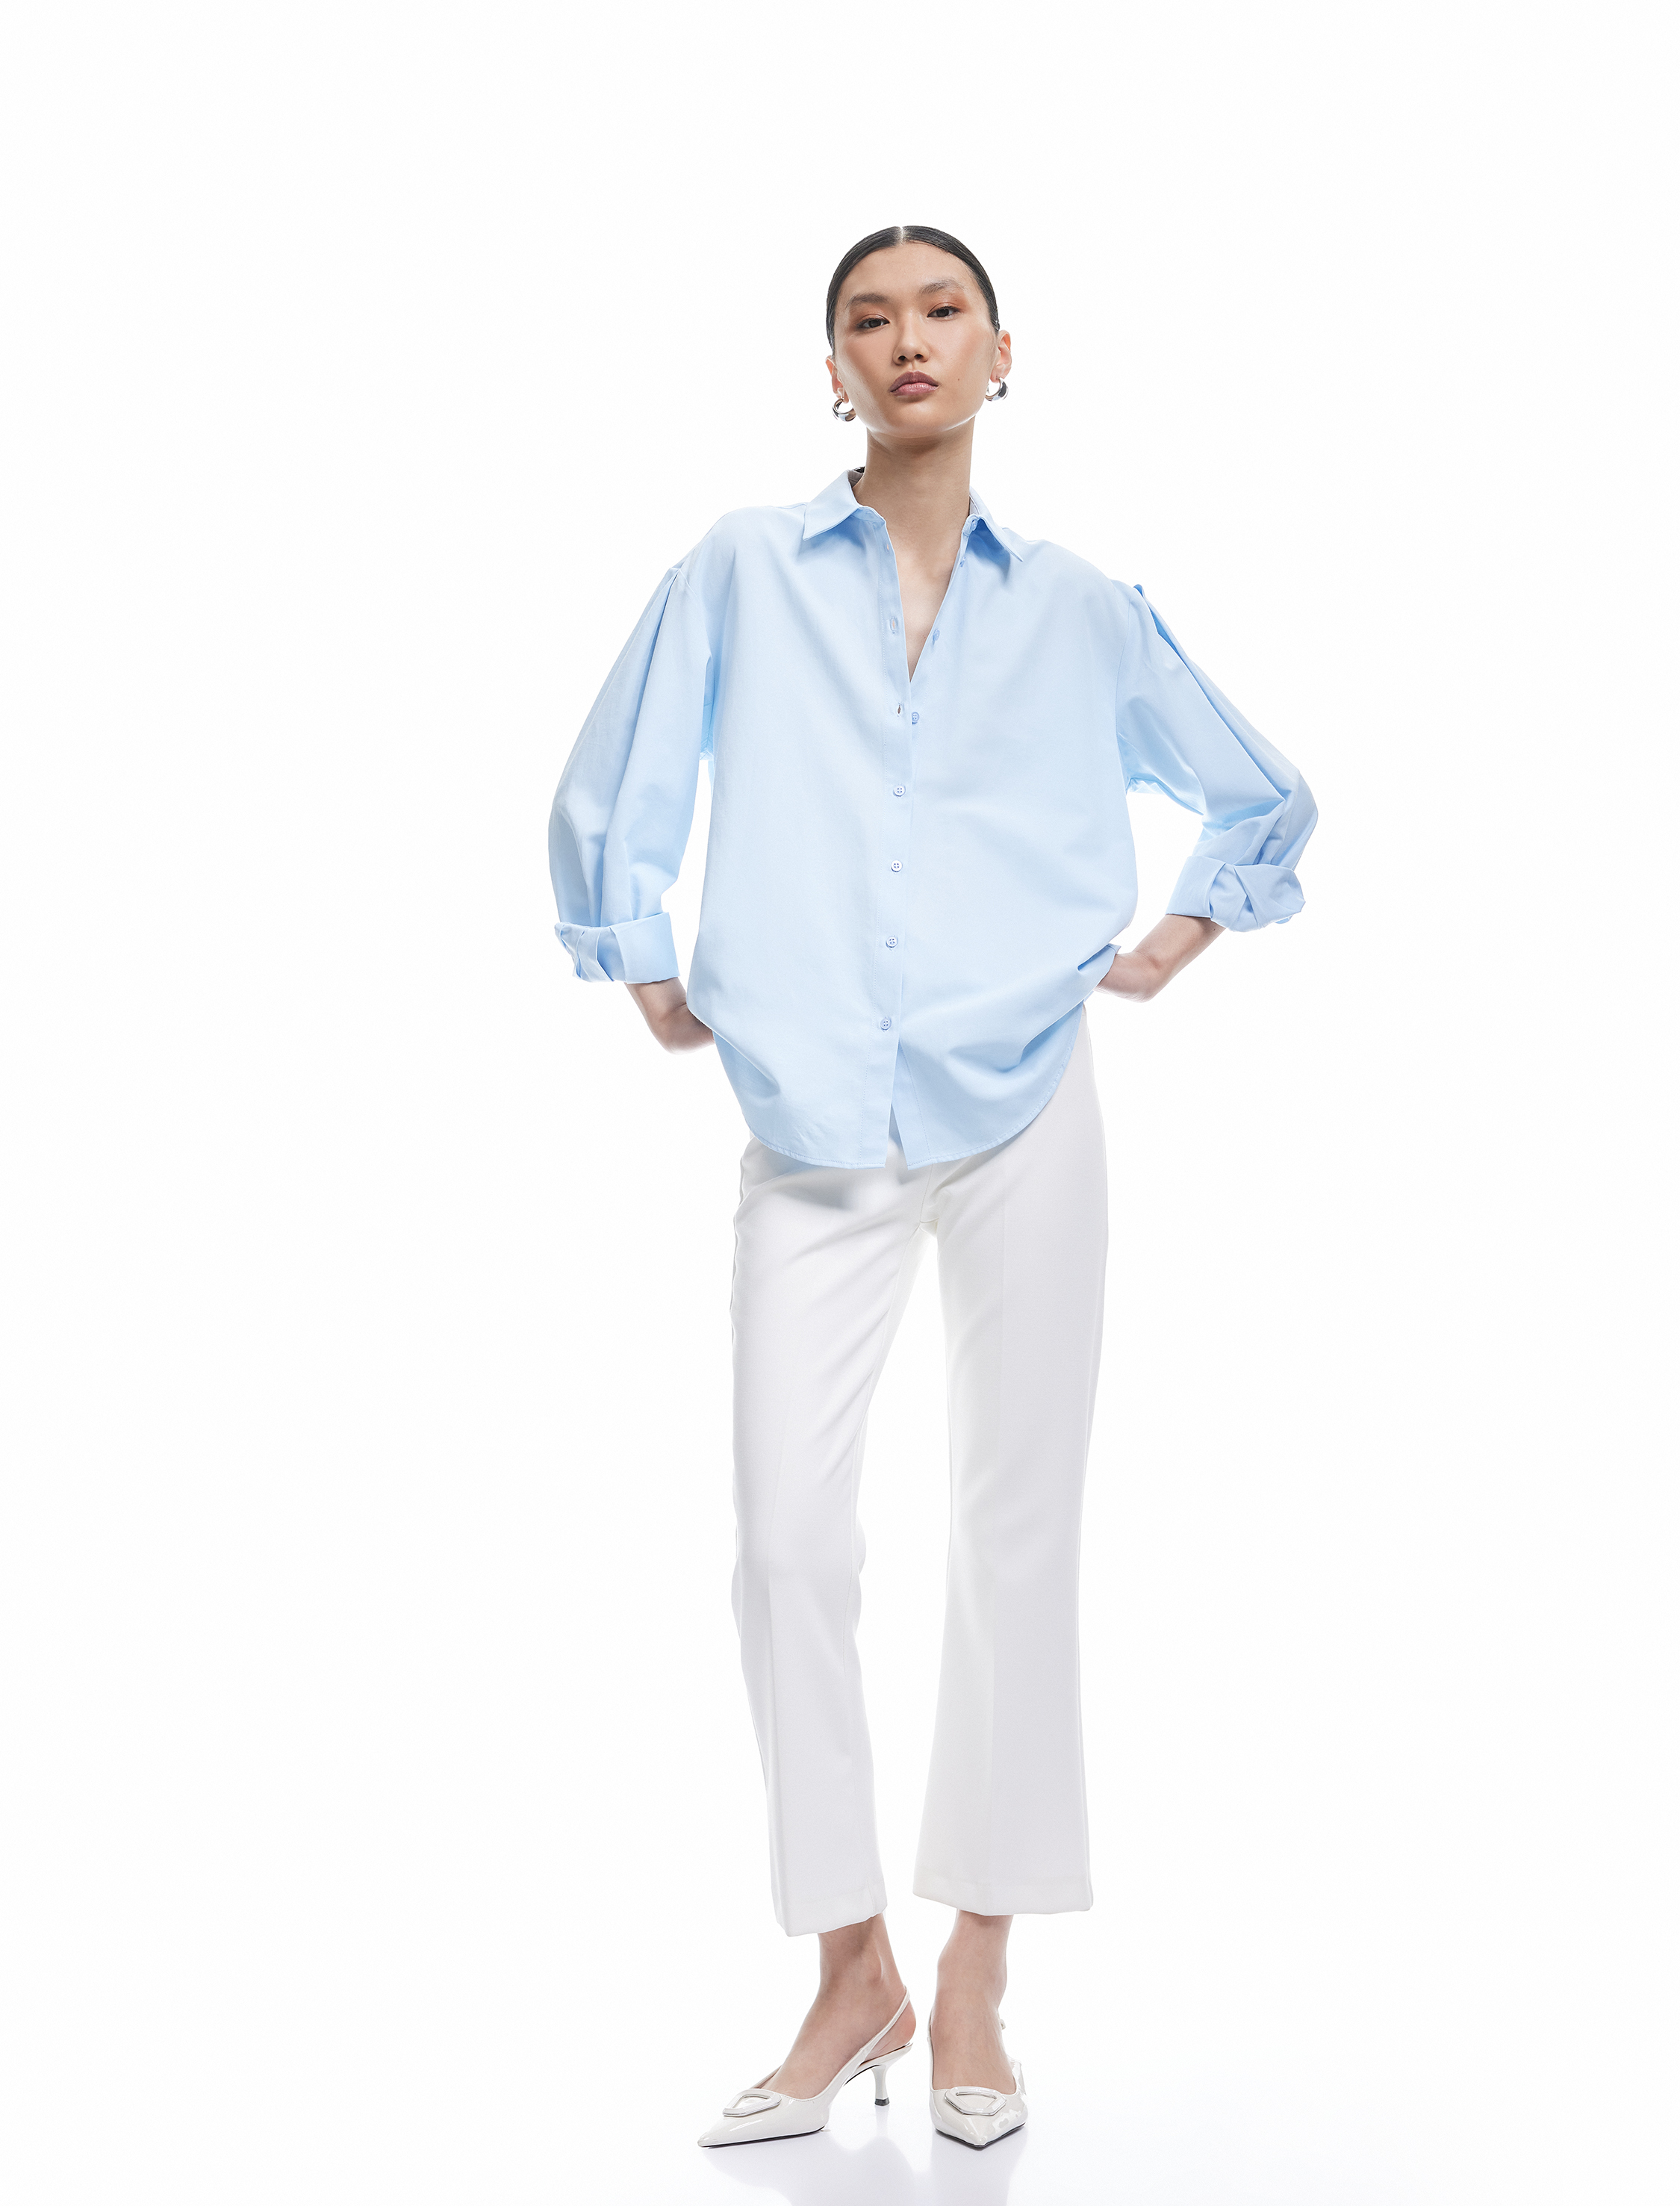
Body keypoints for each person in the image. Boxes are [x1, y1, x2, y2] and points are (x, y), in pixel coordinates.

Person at [548, 223, 1316, 2152]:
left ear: (1001, 350)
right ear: (831, 369)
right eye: (867, 319)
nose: (907, 340)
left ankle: (976, 1972)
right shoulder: (739, 566)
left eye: (941, 311)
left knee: (1015, 1531)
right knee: (786, 1548)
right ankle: (849, 1966)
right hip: (810, 1116)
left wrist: (1177, 939)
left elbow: (1258, 793)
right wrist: (638, 959)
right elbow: (614, 780)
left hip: (1023, 1096)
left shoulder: (1080, 608)